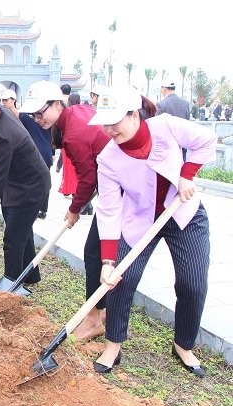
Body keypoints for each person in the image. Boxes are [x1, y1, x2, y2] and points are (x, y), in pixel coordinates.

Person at [87, 86, 216, 377]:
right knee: (120, 278)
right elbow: (109, 209)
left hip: (182, 211)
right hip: (140, 219)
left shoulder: (166, 126)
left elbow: (206, 141)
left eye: (115, 121)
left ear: (134, 115)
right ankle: (113, 344)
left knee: (192, 283)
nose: (109, 129)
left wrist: (187, 175)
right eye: (104, 123)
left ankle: (183, 344)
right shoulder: (108, 158)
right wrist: (108, 262)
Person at [20, 80, 111, 340]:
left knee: (95, 254)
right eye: (34, 114)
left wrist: (74, 209)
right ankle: (104, 312)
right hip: (112, 186)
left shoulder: (74, 134)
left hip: (121, 192)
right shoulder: (75, 113)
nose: (37, 119)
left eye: (41, 112)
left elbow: (88, 179)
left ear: (57, 104)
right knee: (102, 253)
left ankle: (94, 319)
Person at [0, 85, 51, 285]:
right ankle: (30, 276)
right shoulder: (2, 114)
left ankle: (11, 284)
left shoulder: (1, 136)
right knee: (22, 229)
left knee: (13, 238)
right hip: (20, 179)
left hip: (31, 185)